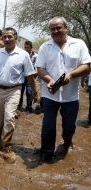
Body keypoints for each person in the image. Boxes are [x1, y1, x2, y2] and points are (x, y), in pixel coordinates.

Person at [0, 27, 38, 162]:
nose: (7, 39)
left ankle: (5, 146)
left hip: (14, 90)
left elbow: (30, 75)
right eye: (4, 37)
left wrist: (35, 92)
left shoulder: (23, 55)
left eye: (10, 37)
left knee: (9, 117)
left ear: (15, 38)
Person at [35, 16, 91, 163]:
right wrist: (50, 80)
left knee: (69, 126)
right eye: (52, 29)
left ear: (66, 28)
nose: (55, 31)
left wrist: (71, 75)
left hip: (71, 96)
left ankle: (67, 142)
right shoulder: (44, 47)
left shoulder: (78, 44)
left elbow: (87, 65)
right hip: (49, 94)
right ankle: (46, 153)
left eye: (58, 28)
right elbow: (40, 68)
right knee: (48, 125)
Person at [18, 40, 37, 112]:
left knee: (29, 92)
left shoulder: (35, 56)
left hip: (30, 76)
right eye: (25, 47)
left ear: (31, 48)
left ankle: (29, 107)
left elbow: (37, 66)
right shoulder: (22, 54)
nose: (26, 49)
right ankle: (19, 106)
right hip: (22, 76)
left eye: (27, 47)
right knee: (20, 91)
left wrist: (36, 73)